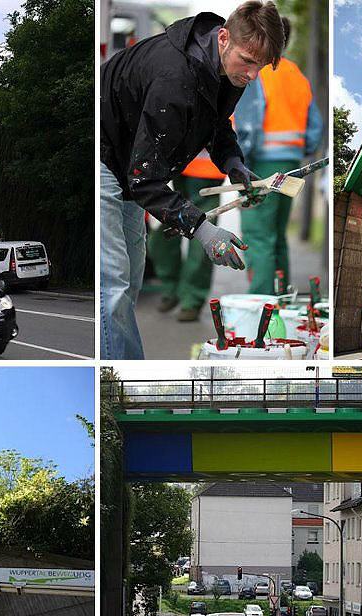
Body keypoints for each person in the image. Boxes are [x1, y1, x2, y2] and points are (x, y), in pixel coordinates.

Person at [100, 1, 288, 359]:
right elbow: (144, 181)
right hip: (106, 155)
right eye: (248, 61)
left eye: (260, 67)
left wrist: (233, 162)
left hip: (132, 159)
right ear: (223, 38)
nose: (251, 75)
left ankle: (126, 362)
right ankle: (124, 370)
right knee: (112, 288)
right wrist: (203, 231)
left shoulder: (230, 69)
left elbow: (217, 123)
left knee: (128, 285)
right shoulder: (175, 78)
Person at [234, 27, 322, 295]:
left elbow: (249, 122)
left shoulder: (257, 73)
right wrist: (296, 151)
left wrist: (240, 162)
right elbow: (315, 127)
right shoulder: (296, 75)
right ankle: (282, 296)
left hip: (262, 165)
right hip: (292, 164)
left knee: (259, 235)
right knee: (278, 235)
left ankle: (262, 304)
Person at [147, 155, 224, 322]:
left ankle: (191, 298)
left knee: (202, 237)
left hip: (208, 170)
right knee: (162, 236)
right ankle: (172, 288)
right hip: (179, 165)